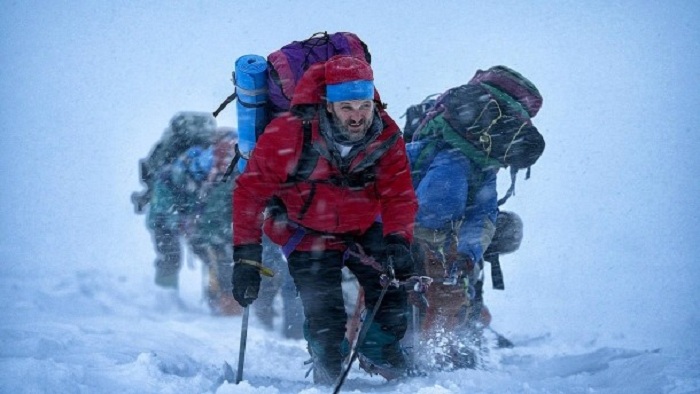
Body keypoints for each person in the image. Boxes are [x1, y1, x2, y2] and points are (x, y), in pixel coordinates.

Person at [231, 55, 418, 384]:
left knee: (392, 289)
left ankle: (380, 350)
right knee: (324, 317)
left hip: (362, 228)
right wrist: (246, 257)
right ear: (329, 106)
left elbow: (398, 194)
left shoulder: (387, 135)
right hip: (304, 232)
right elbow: (249, 193)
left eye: (364, 105)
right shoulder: (287, 134)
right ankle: (327, 368)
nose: (357, 116)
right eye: (347, 107)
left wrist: (398, 240)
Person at [404, 65, 541, 370]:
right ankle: (441, 352)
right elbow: (482, 215)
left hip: (411, 231)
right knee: (448, 292)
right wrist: (468, 253)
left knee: (418, 289)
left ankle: (418, 351)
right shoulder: (482, 169)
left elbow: (393, 172)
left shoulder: (443, 154)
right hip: (425, 237)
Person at [132, 112, 216, 291]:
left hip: (186, 215)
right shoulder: (170, 175)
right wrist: (183, 221)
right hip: (170, 217)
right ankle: (165, 300)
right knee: (176, 257)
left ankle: (218, 297)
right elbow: (161, 208)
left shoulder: (193, 165)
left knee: (203, 255)